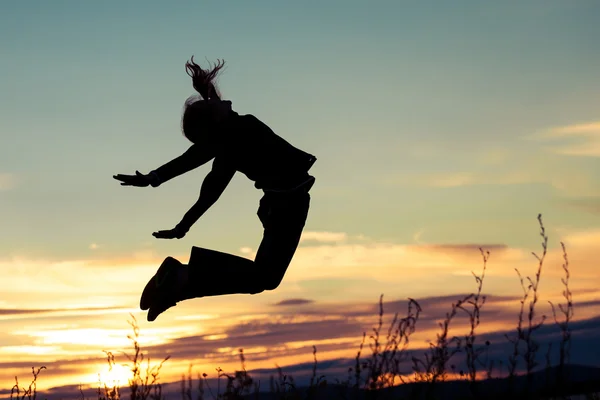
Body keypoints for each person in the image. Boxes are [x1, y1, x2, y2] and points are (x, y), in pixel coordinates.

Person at [113, 57, 316, 322]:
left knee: (262, 278)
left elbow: (197, 153)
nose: (224, 101)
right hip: (287, 204)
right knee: (264, 278)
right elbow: (210, 189)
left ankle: (178, 283)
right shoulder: (237, 137)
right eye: (215, 105)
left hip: (280, 203)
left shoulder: (231, 132)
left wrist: (156, 177)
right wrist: (183, 222)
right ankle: (180, 279)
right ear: (216, 124)